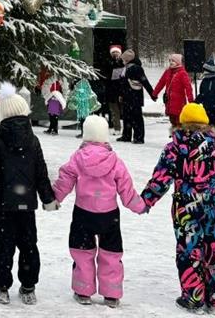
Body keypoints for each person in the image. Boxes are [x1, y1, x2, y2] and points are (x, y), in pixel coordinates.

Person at [140, 103, 215, 313]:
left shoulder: (174, 148)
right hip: (214, 208)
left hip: (186, 209)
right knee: (214, 250)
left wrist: (146, 200)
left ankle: (193, 297)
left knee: (189, 250)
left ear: (181, 123)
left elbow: (161, 177)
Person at [0, 85, 56, 306]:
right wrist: (47, 198)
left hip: (4, 204)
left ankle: (1, 287)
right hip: (27, 205)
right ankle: (28, 287)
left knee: (3, 245)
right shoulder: (33, 139)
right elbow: (41, 171)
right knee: (29, 244)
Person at [52, 114, 144, 307]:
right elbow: (126, 187)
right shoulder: (114, 160)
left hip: (83, 213)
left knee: (82, 251)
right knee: (110, 253)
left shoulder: (78, 157)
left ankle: (83, 289)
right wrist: (139, 205)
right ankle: (111, 294)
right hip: (109, 215)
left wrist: (53, 199)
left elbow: (65, 179)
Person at [120, 50, 154, 144]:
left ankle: (139, 137)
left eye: (124, 59)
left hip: (134, 96)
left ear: (127, 59)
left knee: (136, 117)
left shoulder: (136, 68)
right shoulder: (125, 68)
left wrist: (152, 94)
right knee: (127, 116)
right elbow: (123, 83)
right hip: (127, 96)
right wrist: (121, 94)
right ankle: (126, 135)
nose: (122, 61)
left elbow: (144, 81)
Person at [152, 54, 194, 127]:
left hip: (179, 102)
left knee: (179, 123)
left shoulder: (182, 73)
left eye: (173, 61)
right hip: (169, 103)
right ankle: (175, 137)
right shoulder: (168, 72)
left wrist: (191, 100)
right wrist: (154, 93)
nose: (171, 62)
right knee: (173, 122)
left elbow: (188, 87)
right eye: (170, 61)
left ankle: (180, 137)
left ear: (178, 62)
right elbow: (161, 83)